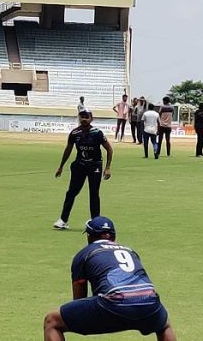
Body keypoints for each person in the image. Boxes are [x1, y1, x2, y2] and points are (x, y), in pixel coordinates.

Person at [42, 217, 176, 341]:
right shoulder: (130, 251)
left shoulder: (84, 254)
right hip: (149, 303)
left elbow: (79, 299)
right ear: (114, 236)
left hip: (113, 304)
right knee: (164, 325)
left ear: (89, 236)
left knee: (52, 321)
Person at [53, 110, 113, 230]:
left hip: (95, 165)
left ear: (91, 118)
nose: (84, 119)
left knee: (94, 194)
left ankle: (96, 222)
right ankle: (63, 220)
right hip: (80, 165)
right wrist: (61, 166)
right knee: (71, 192)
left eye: (86, 117)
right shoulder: (75, 133)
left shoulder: (97, 133)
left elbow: (109, 149)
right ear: (79, 118)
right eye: (82, 117)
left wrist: (107, 168)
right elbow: (68, 149)